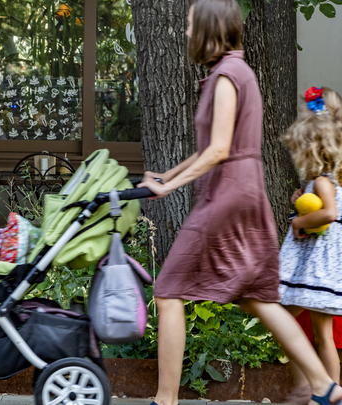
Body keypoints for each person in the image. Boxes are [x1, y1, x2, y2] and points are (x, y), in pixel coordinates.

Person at [136, 2, 342, 405]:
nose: (185, 31)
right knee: (255, 294)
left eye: (191, 24)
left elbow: (217, 151)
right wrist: (168, 175)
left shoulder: (228, 75)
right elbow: (209, 149)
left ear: (210, 27)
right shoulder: (229, 72)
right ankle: (323, 384)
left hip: (227, 196)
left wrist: (170, 188)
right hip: (240, 193)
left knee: (168, 288)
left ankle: (165, 400)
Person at [279, 87, 342, 405]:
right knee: (322, 336)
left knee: (280, 317)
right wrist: (300, 205)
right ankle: (327, 391)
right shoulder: (323, 178)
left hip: (316, 270)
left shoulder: (322, 180)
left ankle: (311, 387)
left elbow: (329, 213)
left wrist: (297, 222)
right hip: (320, 270)